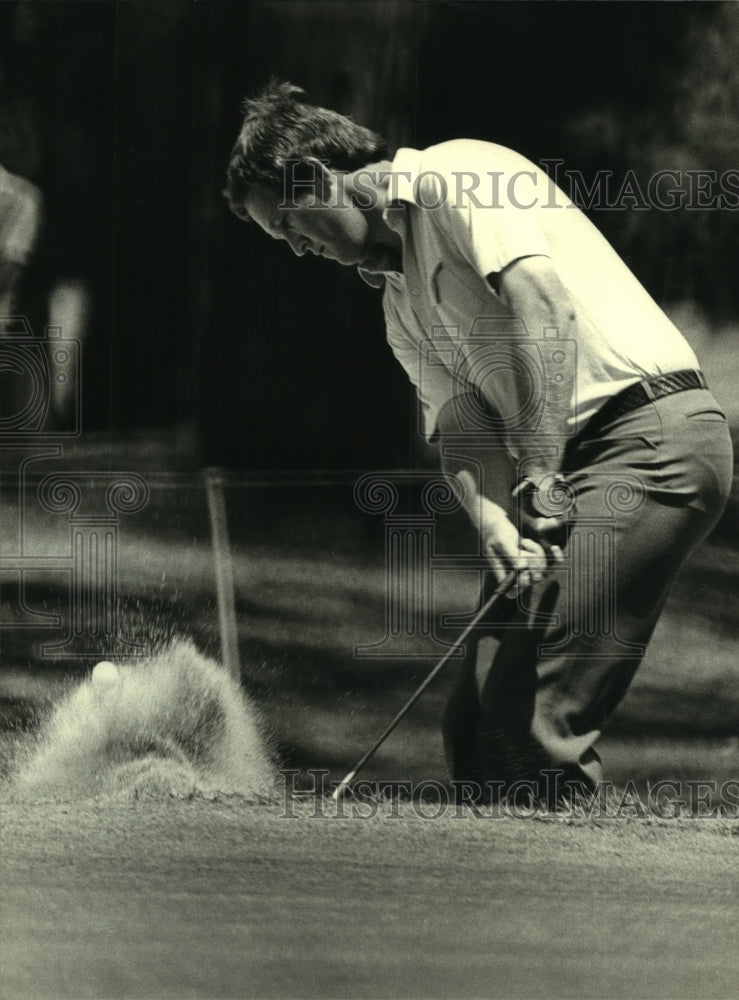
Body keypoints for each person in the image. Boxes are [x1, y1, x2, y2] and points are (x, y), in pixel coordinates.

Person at [223, 81, 733, 804]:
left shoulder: (453, 175)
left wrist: (543, 478)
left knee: (527, 718)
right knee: (474, 728)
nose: (297, 249)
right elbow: (462, 424)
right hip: (567, 465)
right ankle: (499, 873)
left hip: (649, 439)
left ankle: (569, 872)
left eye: (288, 224)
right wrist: (494, 522)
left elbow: (542, 307)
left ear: (314, 176)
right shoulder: (398, 304)